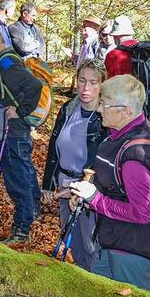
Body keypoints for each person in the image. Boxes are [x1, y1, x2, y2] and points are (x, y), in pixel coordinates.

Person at [69, 74, 150, 297]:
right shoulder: (121, 137)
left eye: (105, 104)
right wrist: (88, 193)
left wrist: (94, 199)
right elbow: (115, 187)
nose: (99, 109)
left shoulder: (138, 152)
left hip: (132, 249)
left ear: (125, 111)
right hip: (112, 239)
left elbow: (142, 213)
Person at [0, 26, 43, 243]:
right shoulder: (2, 62)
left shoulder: (6, 62)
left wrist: (20, 111)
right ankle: (33, 212)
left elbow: (33, 85)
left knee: (17, 179)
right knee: (25, 172)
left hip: (12, 132)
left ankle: (22, 229)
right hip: (13, 131)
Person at [42, 59, 108, 270]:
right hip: (64, 186)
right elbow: (54, 147)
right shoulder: (69, 109)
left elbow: (102, 161)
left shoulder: (104, 118)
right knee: (73, 240)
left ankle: (96, 286)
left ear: (102, 86)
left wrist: (81, 189)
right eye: (81, 80)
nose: (86, 87)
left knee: (91, 244)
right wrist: (48, 183)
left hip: (87, 192)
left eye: (93, 82)